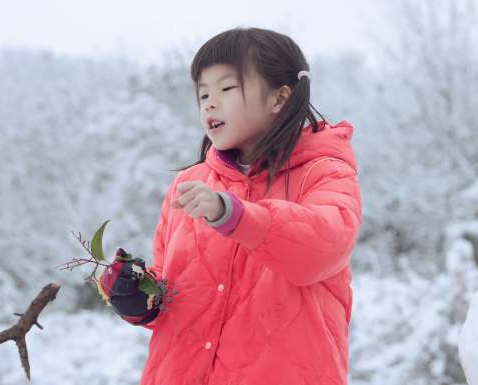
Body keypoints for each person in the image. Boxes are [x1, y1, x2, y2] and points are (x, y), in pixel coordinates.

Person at [110, 27, 362, 385]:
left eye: (227, 89)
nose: (210, 103)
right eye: (203, 94)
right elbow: (172, 291)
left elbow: (322, 248)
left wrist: (235, 216)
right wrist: (139, 298)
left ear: (279, 99)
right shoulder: (189, 185)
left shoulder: (324, 172)